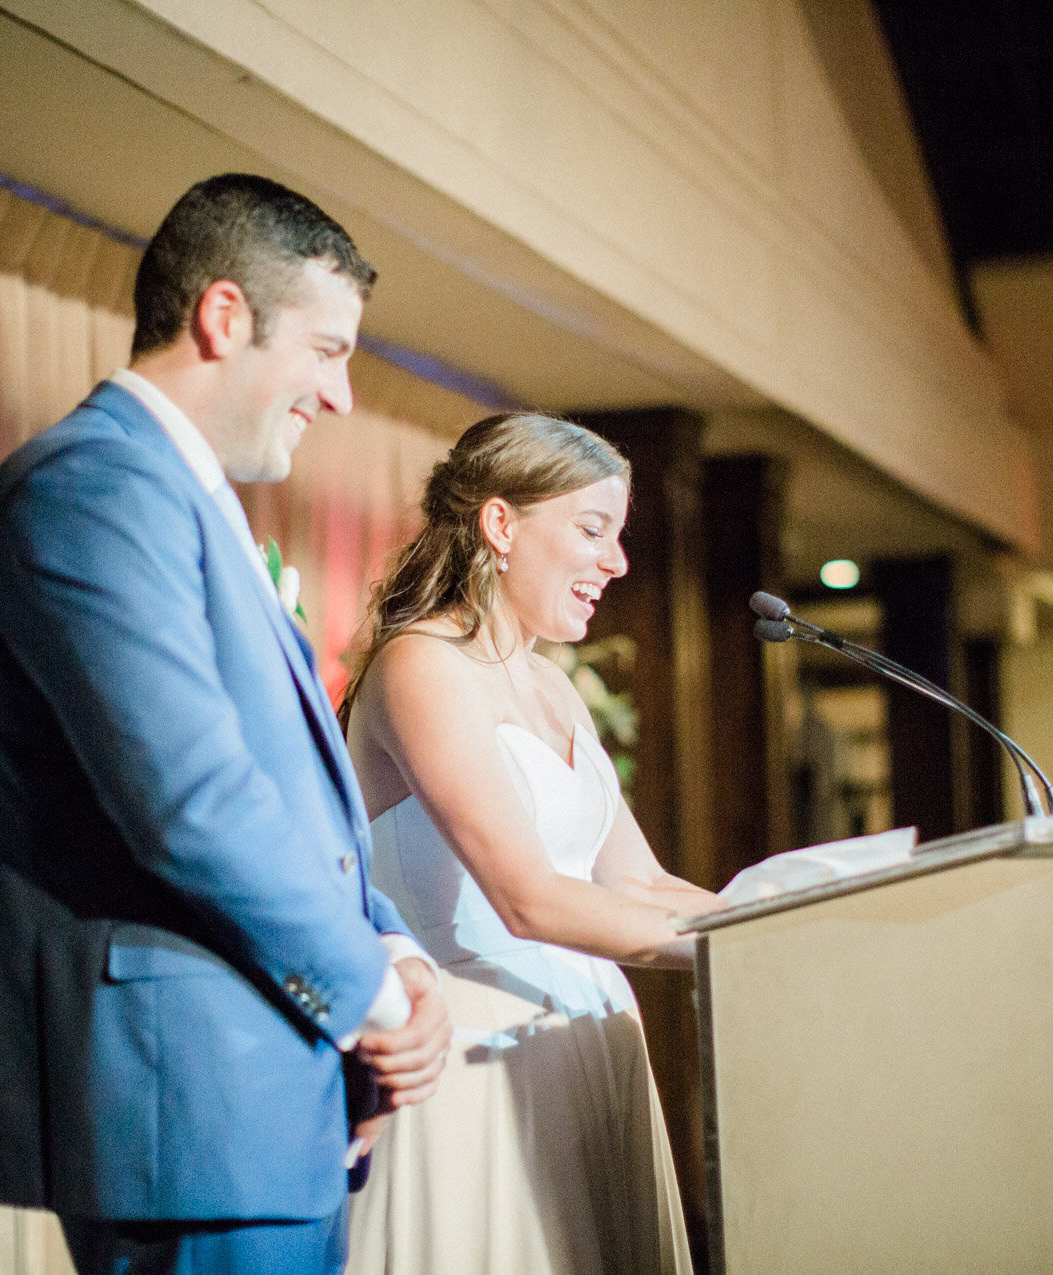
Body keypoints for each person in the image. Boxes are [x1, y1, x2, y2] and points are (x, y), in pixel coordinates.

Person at [0, 174, 451, 1275]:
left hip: (260, 1093)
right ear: (224, 316)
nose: (342, 394)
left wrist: (395, 953)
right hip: (188, 1097)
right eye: (326, 350)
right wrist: (362, 994)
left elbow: (287, 798)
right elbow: (189, 800)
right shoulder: (89, 488)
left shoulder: (176, 494)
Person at [341, 413, 718, 1274]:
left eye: (618, 536)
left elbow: (639, 876)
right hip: (480, 1060)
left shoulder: (551, 682)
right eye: (592, 530)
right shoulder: (421, 664)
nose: (617, 562)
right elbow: (528, 896)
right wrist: (740, 952)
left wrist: (796, 914)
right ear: (501, 524)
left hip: (586, 1047)